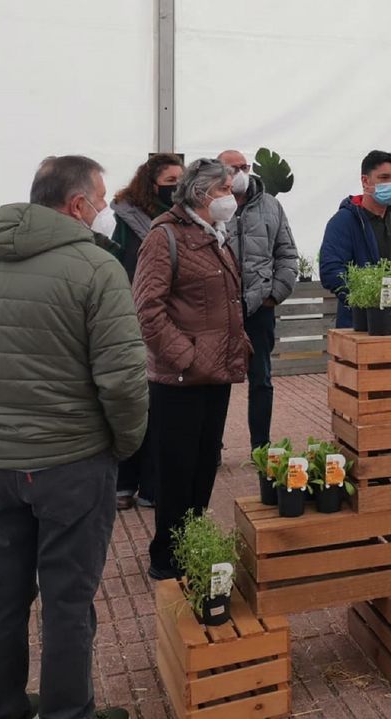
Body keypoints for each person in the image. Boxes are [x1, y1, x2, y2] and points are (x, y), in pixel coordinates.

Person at [0, 154, 148, 719]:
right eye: (101, 202)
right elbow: (124, 380)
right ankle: (68, 712)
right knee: (68, 601)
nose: (106, 211)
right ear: (77, 205)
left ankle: (2, 708)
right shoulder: (98, 267)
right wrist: (124, 444)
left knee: (2, 595)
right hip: (74, 462)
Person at [134, 158, 250, 581]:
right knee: (176, 469)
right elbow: (147, 309)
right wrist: (186, 357)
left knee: (203, 464)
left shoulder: (214, 235)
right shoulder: (165, 237)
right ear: (202, 195)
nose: (230, 198)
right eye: (223, 190)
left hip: (214, 373)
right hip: (180, 379)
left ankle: (191, 540)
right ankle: (166, 555)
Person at [111, 153, 184, 510]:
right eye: (170, 182)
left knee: (161, 408)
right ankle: (124, 483)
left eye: (180, 182)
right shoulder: (128, 220)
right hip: (135, 321)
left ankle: (152, 486)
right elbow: (121, 268)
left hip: (170, 323)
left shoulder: (181, 218)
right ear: (151, 183)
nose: (177, 189)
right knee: (134, 404)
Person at [217, 149, 299, 452]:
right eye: (232, 168)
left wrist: (274, 294)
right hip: (218, 312)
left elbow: (287, 254)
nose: (240, 172)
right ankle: (211, 446)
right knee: (215, 381)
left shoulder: (270, 205)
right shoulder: (209, 207)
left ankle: (260, 447)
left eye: (244, 166)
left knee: (261, 379)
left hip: (258, 308)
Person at [319, 151, 391, 327]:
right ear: (365, 181)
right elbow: (331, 270)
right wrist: (366, 300)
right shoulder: (344, 221)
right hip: (360, 326)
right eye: (384, 177)